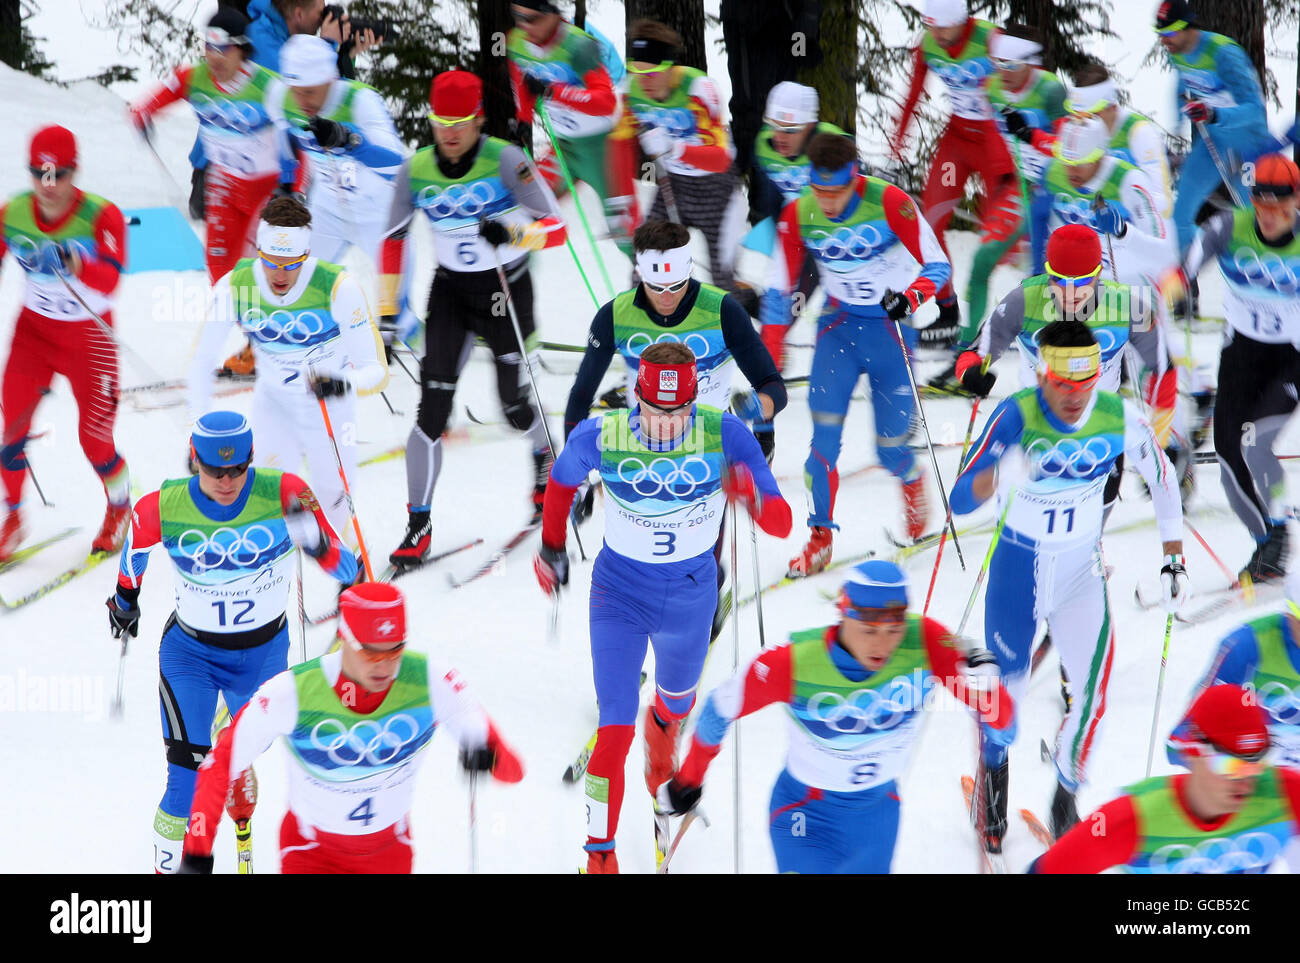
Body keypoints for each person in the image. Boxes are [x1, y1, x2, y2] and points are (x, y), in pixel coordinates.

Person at [533, 342, 792, 873]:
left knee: (676, 705)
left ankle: (664, 726)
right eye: (655, 410)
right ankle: (598, 853)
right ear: (636, 398)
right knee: (615, 726)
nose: (666, 424)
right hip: (619, 597)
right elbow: (559, 483)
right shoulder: (603, 435)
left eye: (678, 412)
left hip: (691, 599)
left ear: (694, 402)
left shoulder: (724, 434)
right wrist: (551, 546)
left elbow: (782, 523)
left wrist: (748, 492)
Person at [950, 318, 1187, 850]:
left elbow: (1164, 480)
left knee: (1093, 696)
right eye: (1061, 380)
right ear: (1040, 374)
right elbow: (959, 499)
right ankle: (994, 777)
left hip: (1081, 573)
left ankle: (1065, 792)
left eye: (1085, 379)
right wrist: (996, 476)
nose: (1074, 394)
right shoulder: (1015, 414)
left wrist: (1174, 560)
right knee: (1002, 706)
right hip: (1018, 571)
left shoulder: (1117, 416)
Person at [106, 411, 358, 872]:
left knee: (258, 753)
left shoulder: (283, 493)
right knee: (185, 781)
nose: (227, 480)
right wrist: (125, 599)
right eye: (214, 470)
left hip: (263, 659)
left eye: (238, 469)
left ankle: (231, 749)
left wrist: (318, 545)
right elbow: (134, 550)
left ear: (251, 461)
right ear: (193, 460)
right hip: (191, 656)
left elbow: (352, 570)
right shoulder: (163, 506)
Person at [655, 559, 1016, 873]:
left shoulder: (924, 644)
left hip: (877, 820)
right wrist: (688, 781)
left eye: (893, 630)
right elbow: (720, 707)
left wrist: (988, 688)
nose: (882, 644)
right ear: (845, 615)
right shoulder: (793, 662)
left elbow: (1005, 726)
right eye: (869, 630)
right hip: (805, 814)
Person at [175, 581, 524, 873]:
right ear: (344, 638)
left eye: (395, 651)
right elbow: (219, 765)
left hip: (390, 853)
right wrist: (196, 852)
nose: (385, 666)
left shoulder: (432, 682)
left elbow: (514, 771)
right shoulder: (294, 692)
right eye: (371, 653)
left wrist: (487, 756)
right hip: (311, 853)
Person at [379, 70, 567, 567]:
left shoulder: (504, 158)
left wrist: (512, 230)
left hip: (506, 290)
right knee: (431, 411)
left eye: (461, 122)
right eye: (442, 122)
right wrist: (385, 312)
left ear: (478, 119)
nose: (451, 132)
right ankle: (418, 523)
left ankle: (547, 462)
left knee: (512, 405)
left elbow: (556, 228)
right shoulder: (414, 169)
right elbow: (392, 239)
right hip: (451, 294)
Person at [761, 133, 950, 576]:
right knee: (822, 442)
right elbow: (777, 285)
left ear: (855, 178)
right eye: (818, 190)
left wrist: (913, 297)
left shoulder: (890, 202)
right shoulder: (799, 212)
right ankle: (820, 536)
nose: (825, 202)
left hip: (891, 332)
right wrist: (773, 343)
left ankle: (909, 476)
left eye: (836, 192)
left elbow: (937, 264)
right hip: (838, 331)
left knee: (890, 451)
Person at [188, 197, 387, 542]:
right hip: (275, 405)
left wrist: (342, 383)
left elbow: (376, 371)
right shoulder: (240, 285)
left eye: (291, 263)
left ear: (306, 255)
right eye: (271, 261)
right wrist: (197, 434)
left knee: (334, 502)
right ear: (259, 252)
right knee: (270, 499)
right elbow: (201, 362)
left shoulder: (336, 287)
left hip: (329, 411)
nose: (280, 273)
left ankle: (349, 571)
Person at [954, 223, 1181, 513]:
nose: (1071, 292)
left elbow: (1163, 367)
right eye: (1059, 281)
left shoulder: (1127, 306)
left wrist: (1162, 436)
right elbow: (973, 354)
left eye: (1082, 281)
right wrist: (971, 374)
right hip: (1034, 421)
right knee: (1030, 507)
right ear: (1048, 273)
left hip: (1098, 419)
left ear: (1098, 274)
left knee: (1098, 509)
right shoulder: (1024, 301)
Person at [1165, 154, 1300, 582]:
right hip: (1241, 354)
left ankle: (1281, 528)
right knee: (1228, 454)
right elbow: (1183, 267)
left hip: (1292, 359)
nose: (1271, 217)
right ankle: (1268, 540)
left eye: (1282, 208)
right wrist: (1173, 287)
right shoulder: (1229, 228)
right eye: (1262, 206)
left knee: (1256, 444)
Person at [0, 126, 131, 561]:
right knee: (11, 431)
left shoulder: (101, 216)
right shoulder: (12, 213)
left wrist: (75, 260)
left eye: (61, 173)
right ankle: (14, 515)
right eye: (40, 173)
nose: (49, 185)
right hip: (33, 334)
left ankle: (119, 508)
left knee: (95, 441)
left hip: (88, 337)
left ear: (76, 172)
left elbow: (111, 281)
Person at [562, 219, 787, 453]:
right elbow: (581, 395)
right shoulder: (615, 316)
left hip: (711, 441)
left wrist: (760, 407)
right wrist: (572, 463)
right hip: (641, 444)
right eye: (657, 287)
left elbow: (772, 384)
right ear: (640, 274)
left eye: (677, 285)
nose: (667, 297)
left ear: (689, 271)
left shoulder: (723, 311)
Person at [1032, 684, 1300, 873]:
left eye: (1257, 764)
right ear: (1194, 752)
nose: (1246, 781)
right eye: (1230, 765)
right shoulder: (1133, 820)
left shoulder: (1285, 794)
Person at [890, 0, 1018, 348]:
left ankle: (1024, 315)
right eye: (931, 26)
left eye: (943, 28)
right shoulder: (930, 42)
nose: (937, 35)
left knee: (1004, 242)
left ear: (962, 22)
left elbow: (1022, 86)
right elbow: (914, 92)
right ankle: (947, 312)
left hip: (995, 143)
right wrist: (899, 138)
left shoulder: (991, 39)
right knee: (930, 222)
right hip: (958, 141)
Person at [130, 7, 288, 288]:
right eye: (209, 46)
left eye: (223, 49)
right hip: (223, 185)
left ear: (241, 49)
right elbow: (150, 102)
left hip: (262, 192)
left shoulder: (268, 87)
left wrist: (292, 184)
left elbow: (302, 130)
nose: (214, 56)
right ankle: (228, 318)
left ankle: (260, 324)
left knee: (259, 269)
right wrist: (143, 114)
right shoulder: (194, 78)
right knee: (218, 265)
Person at [608, 19, 747, 290]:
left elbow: (720, 159)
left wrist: (675, 148)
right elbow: (620, 147)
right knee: (645, 265)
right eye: (637, 71)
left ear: (670, 67)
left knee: (724, 281)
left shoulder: (699, 90)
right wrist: (624, 201)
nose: (643, 81)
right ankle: (642, 328)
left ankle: (748, 321)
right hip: (673, 185)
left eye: (652, 73)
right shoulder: (631, 93)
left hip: (717, 190)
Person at [268, 34, 405, 277]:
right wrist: (286, 183)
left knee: (394, 307)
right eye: (296, 92)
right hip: (326, 210)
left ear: (330, 80)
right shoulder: (281, 97)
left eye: (309, 92)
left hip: (378, 214)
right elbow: (285, 136)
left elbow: (397, 165)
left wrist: (349, 140)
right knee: (302, 283)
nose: (301, 102)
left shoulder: (359, 101)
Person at [1154, 0, 1276, 259]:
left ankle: (1269, 272)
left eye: (1170, 33)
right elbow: (1182, 82)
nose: (1165, 41)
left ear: (1189, 27)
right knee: (1181, 212)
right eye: (1161, 35)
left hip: (1250, 144)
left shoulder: (1223, 54)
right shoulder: (1175, 51)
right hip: (1215, 142)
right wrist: (1177, 120)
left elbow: (1255, 110)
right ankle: (1186, 286)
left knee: (1255, 216)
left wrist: (1214, 114)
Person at [506, 1, 624, 245]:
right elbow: (522, 84)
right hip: (562, 146)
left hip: (602, 148)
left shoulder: (578, 46)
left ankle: (651, 279)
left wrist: (553, 92)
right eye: (518, 17)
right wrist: (524, 123)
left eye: (533, 19)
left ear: (554, 15)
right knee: (529, 212)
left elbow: (605, 101)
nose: (525, 26)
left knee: (623, 230)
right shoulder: (516, 42)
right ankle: (515, 275)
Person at [750, 82, 845, 375]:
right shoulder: (765, 145)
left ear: (811, 126)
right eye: (774, 126)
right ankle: (769, 365)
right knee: (779, 293)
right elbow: (768, 194)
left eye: (790, 131)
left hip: (837, 234)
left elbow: (857, 196)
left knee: (842, 295)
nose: (780, 137)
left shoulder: (834, 145)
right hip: (796, 228)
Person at [1029, 115, 1177, 289]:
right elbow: (1037, 220)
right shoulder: (1053, 172)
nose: (1072, 171)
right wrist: (1037, 273)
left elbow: (1165, 255)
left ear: (1101, 156)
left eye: (1081, 163)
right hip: (1075, 285)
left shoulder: (1129, 181)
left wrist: (1124, 232)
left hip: (1127, 287)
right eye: (1067, 162)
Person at [1170, 575, 1300, 769]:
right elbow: (1179, 741)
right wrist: (1238, 769)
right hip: (1246, 783)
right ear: (1290, 612)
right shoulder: (1246, 646)